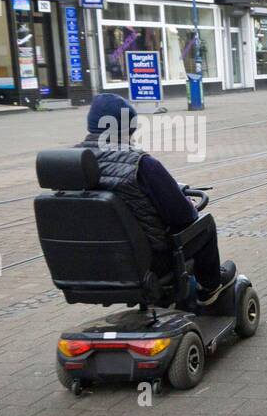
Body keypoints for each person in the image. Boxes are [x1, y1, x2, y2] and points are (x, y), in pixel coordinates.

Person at [79, 93, 235, 305]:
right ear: (129, 129)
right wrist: (185, 203)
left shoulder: (68, 163)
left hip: (90, 263)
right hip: (148, 261)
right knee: (204, 225)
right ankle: (209, 287)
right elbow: (183, 216)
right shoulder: (141, 165)